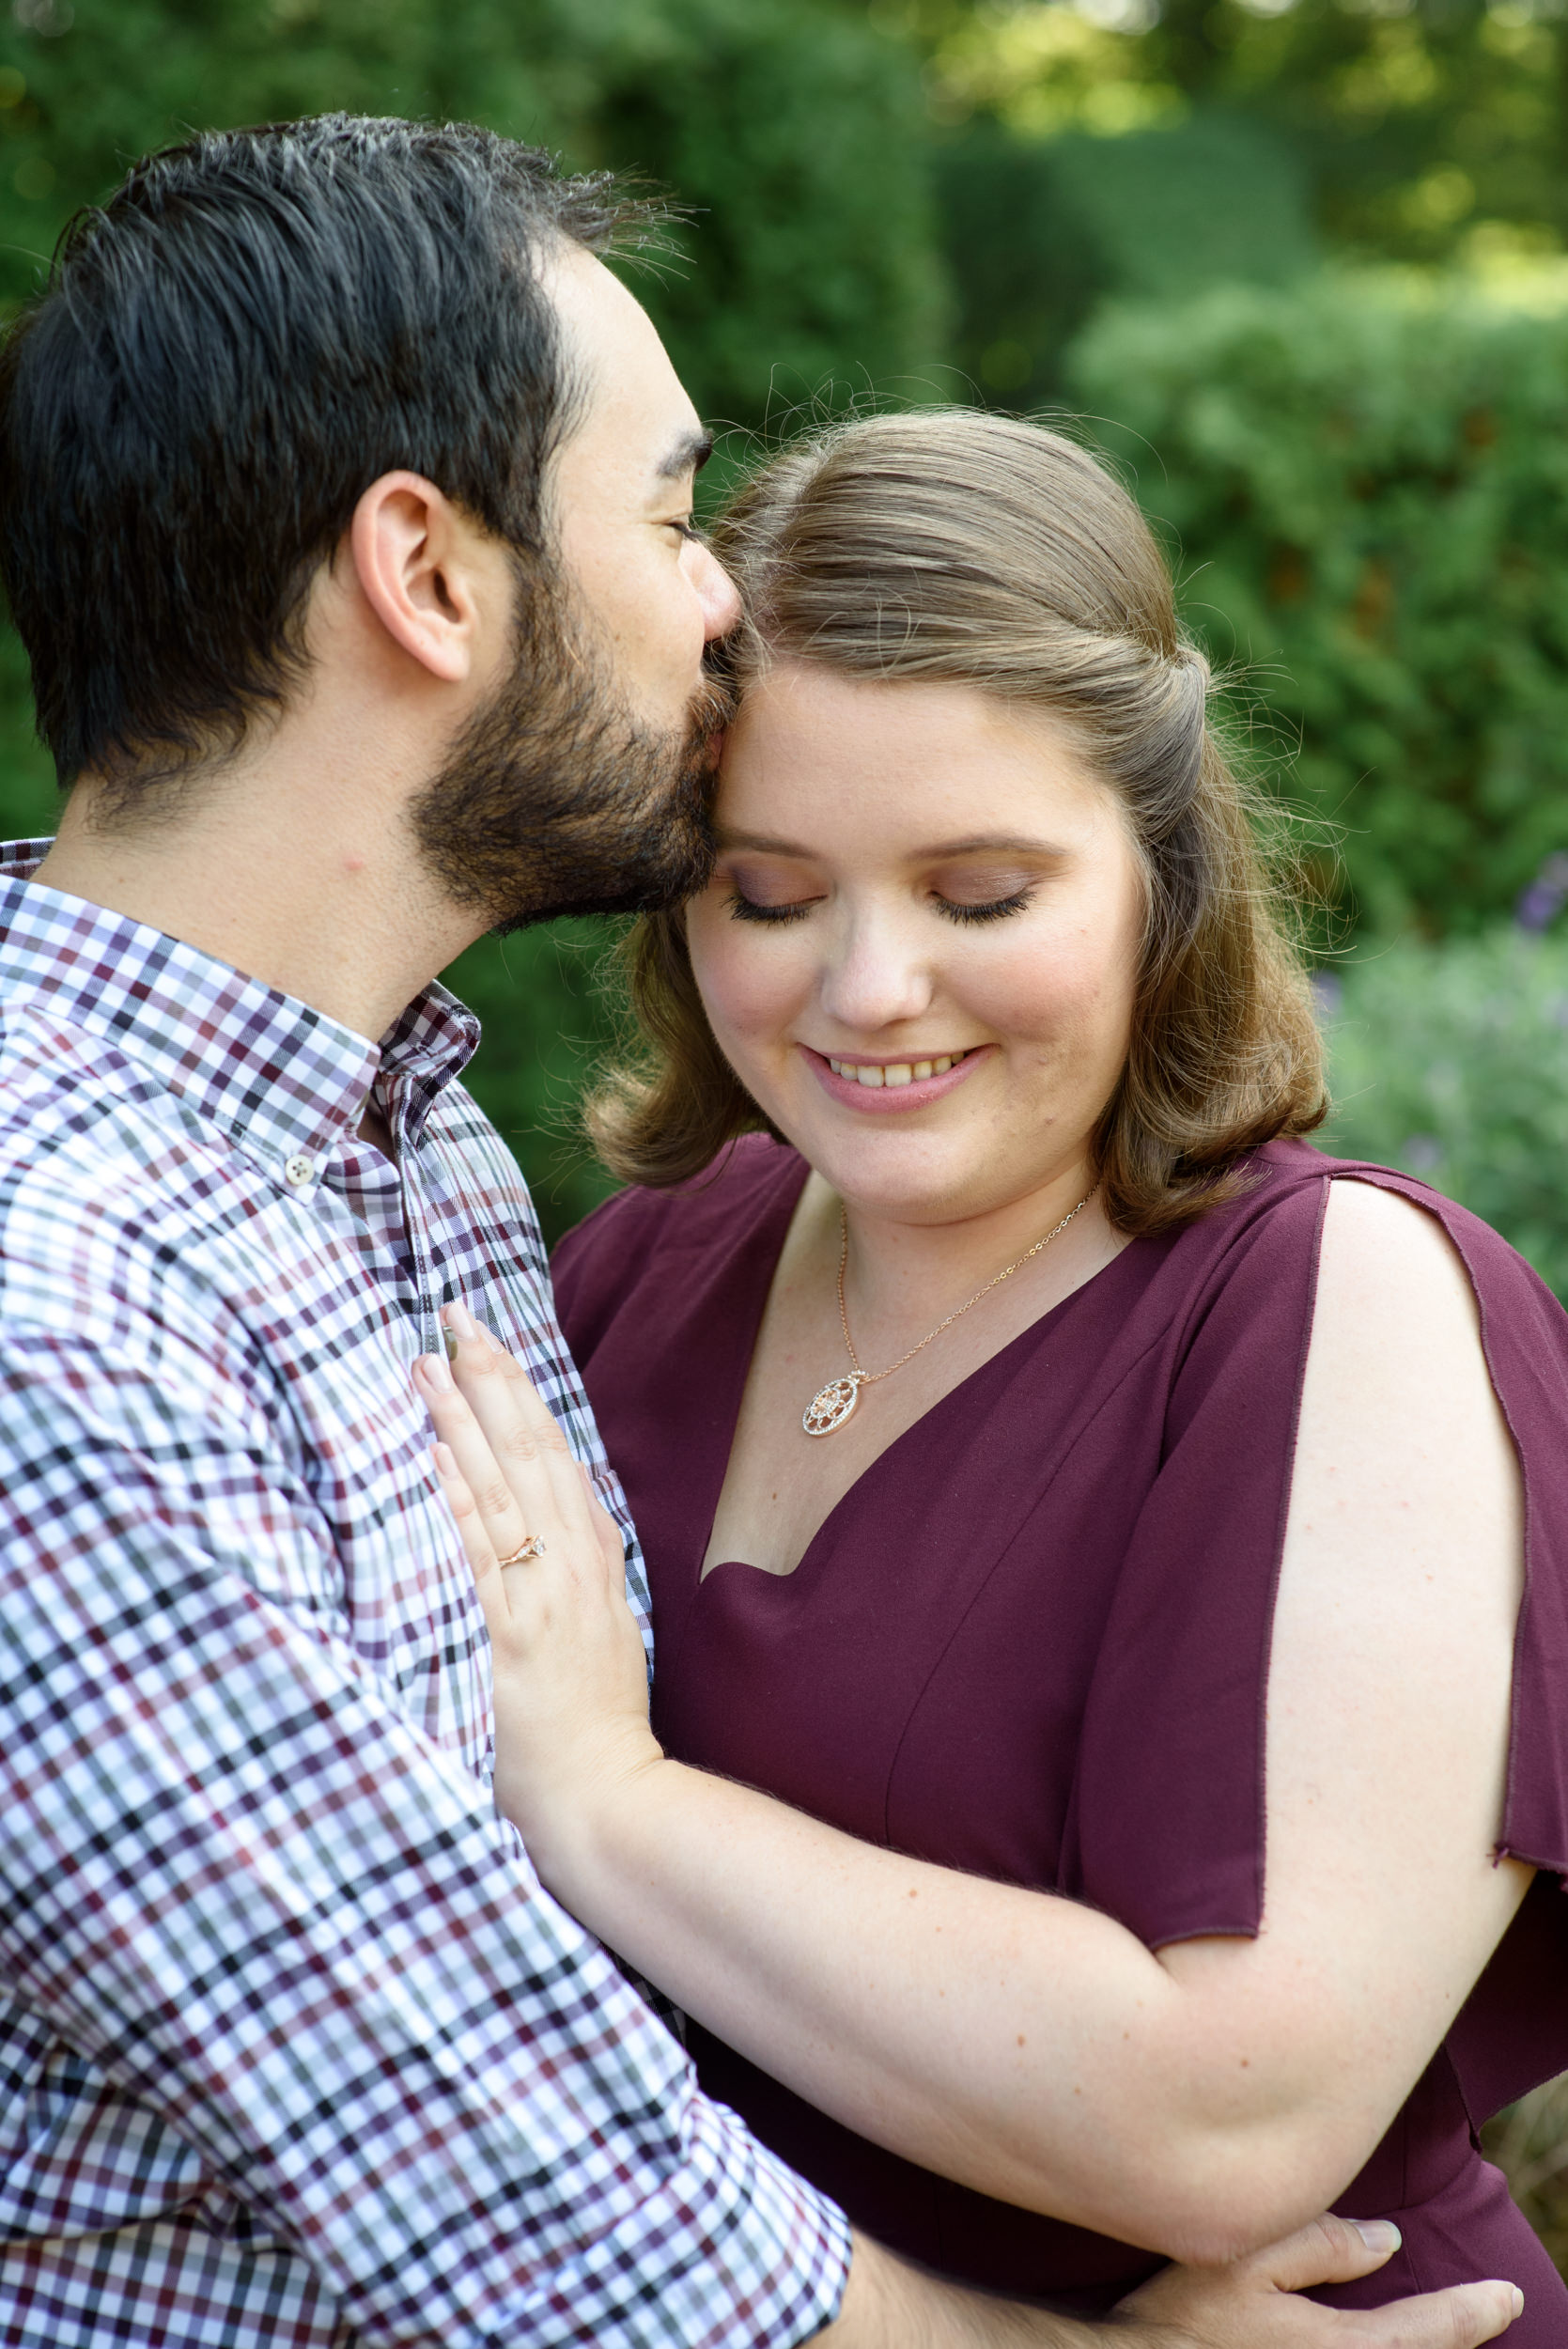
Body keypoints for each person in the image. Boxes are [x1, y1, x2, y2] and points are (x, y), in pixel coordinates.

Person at [0, 113, 1500, 2349]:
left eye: (978, 891)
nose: (721, 604)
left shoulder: (410, 1156)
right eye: (674, 513)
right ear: (429, 573)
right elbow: (522, 2203)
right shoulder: (66, 1298)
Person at [419, 411, 1568, 2339]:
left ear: (1158, 872)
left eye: (978, 894)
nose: (867, 986)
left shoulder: (1341, 1307)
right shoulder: (649, 1260)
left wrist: (607, 1798)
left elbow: (1230, 2118)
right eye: (770, 893)